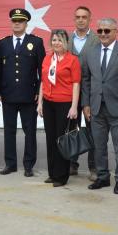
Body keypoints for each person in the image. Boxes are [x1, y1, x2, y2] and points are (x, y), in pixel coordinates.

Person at [82, 18, 118, 194]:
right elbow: (86, 80)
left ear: (115, 31)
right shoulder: (90, 52)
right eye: (100, 31)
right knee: (98, 146)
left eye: (107, 31)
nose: (103, 34)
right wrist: (86, 104)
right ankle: (103, 177)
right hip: (96, 107)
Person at [0, 8, 46, 177]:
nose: (17, 23)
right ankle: (10, 164)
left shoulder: (36, 42)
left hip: (29, 95)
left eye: (20, 21)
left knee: (30, 131)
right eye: (14, 21)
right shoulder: (2, 43)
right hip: (8, 94)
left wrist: (39, 92)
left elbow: (42, 70)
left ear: (26, 24)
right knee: (9, 131)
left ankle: (28, 165)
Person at [37, 29, 80, 187]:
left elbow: (76, 84)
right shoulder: (47, 58)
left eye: (60, 40)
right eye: (54, 40)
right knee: (50, 138)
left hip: (64, 103)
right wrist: (40, 103)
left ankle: (62, 176)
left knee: (61, 140)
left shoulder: (72, 60)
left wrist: (74, 106)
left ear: (66, 42)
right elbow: (43, 81)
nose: (56, 43)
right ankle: (52, 173)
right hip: (48, 102)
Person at [70, 6, 99, 178]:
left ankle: (93, 168)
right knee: (71, 129)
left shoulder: (97, 39)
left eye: (84, 17)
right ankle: (71, 164)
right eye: (78, 17)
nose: (81, 20)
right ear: (74, 19)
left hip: (91, 92)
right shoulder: (66, 39)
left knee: (92, 130)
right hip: (70, 92)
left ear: (89, 19)